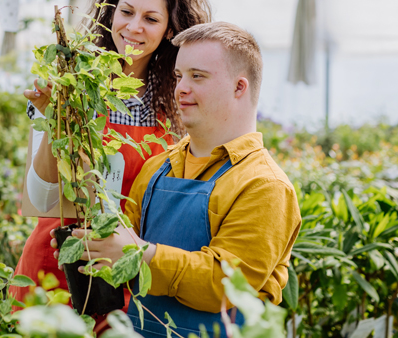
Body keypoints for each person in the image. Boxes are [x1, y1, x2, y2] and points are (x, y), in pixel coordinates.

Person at [54, 22, 302, 337]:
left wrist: (137, 254)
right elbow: (124, 249)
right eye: (179, 76)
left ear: (240, 87)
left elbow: (224, 285)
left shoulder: (265, 186)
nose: (181, 87)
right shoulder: (158, 167)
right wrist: (93, 248)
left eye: (197, 76)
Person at [10, 0, 212, 308]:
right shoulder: (71, 87)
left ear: (168, 30)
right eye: (126, 12)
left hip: (123, 280)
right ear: (110, 14)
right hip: (53, 267)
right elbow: (42, 199)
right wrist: (58, 117)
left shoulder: (176, 111)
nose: (134, 27)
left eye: (150, 19)